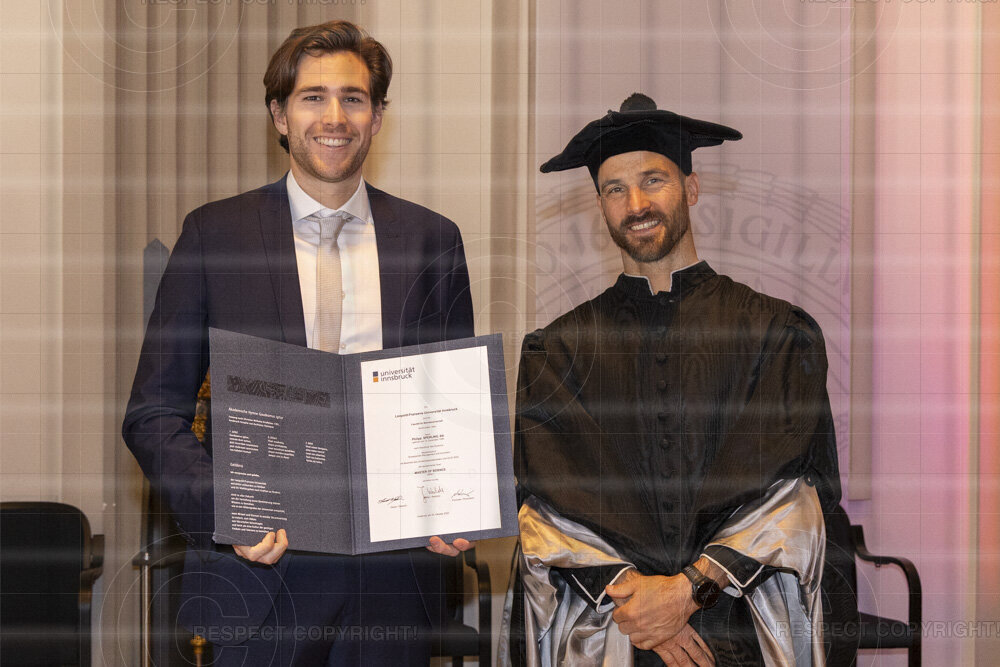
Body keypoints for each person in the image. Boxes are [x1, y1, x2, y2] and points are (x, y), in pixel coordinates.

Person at [123, 20, 474, 666]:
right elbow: (152, 415)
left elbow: (448, 413)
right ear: (280, 115)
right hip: (258, 577)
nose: (334, 117)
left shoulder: (433, 241)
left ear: (377, 117)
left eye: (353, 98)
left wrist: (455, 501)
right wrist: (227, 508)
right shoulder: (214, 237)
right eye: (313, 97)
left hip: (393, 586)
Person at [511, 94, 851, 666]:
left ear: (691, 188)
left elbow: (797, 494)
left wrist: (686, 593)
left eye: (653, 180)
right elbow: (548, 506)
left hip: (742, 630)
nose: (636, 204)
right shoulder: (558, 352)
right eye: (615, 189)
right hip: (616, 630)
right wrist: (649, 613)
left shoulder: (775, 334)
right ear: (600, 205)